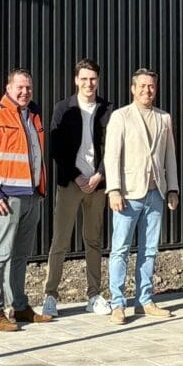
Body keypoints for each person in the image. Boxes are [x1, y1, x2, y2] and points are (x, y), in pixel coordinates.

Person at [0, 68, 46, 332]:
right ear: (8, 88)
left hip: (31, 196)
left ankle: (19, 306)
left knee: (20, 255)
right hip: (6, 198)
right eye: (20, 87)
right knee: (0, 255)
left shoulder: (32, 116)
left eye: (28, 88)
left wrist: (39, 192)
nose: (25, 92)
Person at [104, 68, 180, 322]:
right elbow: (112, 156)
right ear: (133, 89)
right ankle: (118, 303)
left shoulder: (164, 118)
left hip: (155, 193)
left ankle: (144, 300)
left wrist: (172, 188)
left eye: (152, 86)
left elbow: (170, 156)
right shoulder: (121, 117)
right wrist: (114, 189)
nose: (148, 90)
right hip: (128, 194)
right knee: (120, 249)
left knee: (149, 250)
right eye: (143, 86)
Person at [42, 60, 112, 318]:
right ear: (76, 80)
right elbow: (56, 147)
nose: (88, 84)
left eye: (93, 79)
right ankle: (50, 295)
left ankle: (94, 295)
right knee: (60, 240)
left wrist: (100, 174)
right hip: (71, 183)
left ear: (98, 80)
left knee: (93, 240)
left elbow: (113, 147)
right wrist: (76, 176)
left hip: (97, 184)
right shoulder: (63, 108)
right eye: (84, 79)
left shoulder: (108, 109)